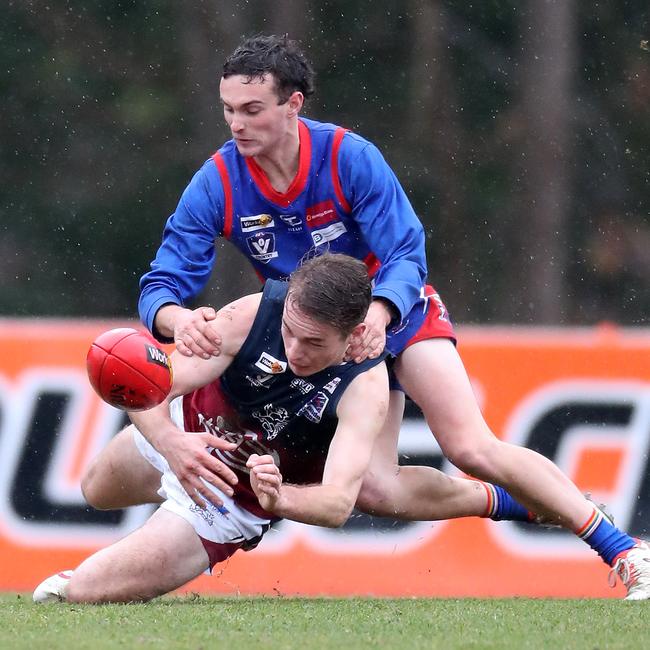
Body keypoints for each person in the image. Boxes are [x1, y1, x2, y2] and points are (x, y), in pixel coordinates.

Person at [134, 35, 648, 598]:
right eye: (229, 110)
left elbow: (405, 252)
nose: (237, 124)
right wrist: (175, 320)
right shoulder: (219, 181)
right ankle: (508, 502)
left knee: (470, 448)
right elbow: (163, 282)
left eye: (253, 110)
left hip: (397, 314)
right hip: (322, 336)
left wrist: (380, 311)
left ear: (294, 105)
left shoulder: (347, 157)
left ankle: (624, 551)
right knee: (373, 491)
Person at [33, 254, 512, 603]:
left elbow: (336, 503)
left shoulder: (365, 387)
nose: (294, 349)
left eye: (314, 342)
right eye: (289, 331)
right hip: (186, 434)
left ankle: (503, 500)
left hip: (226, 502)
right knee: (94, 488)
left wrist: (278, 498)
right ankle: (170, 501)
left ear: (353, 336)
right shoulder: (251, 313)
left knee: (75, 594)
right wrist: (172, 445)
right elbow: (150, 391)